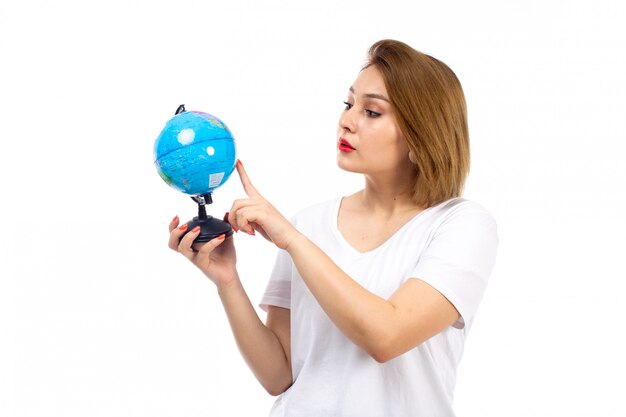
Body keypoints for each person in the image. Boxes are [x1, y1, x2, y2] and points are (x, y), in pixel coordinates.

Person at [168, 39, 498, 417]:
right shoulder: (310, 223)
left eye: (372, 112)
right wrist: (227, 281)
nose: (347, 119)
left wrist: (293, 242)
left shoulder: (462, 225)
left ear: (422, 133)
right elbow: (280, 375)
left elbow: (387, 336)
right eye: (349, 103)